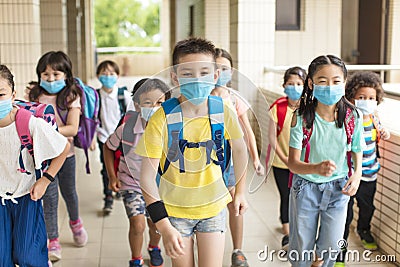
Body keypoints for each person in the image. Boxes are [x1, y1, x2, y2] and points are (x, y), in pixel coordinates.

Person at [135, 37, 249, 267]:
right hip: (175, 212)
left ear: (215, 76)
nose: (197, 80)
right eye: (187, 73)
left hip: (213, 209)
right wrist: (164, 227)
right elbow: (146, 178)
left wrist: (240, 192)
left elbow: (240, 149)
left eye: (204, 72)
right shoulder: (162, 118)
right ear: (175, 77)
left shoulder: (223, 112)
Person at [287, 55, 365, 267]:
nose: (330, 86)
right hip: (305, 188)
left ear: (344, 83)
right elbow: (292, 163)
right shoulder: (301, 118)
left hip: (339, 188)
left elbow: (358, 148)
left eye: (336, 81)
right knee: (301, 245)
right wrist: (315, 168)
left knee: (331, 245)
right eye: (322, 81)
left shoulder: (352, 116)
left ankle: (319, 262)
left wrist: (357, 174)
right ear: (311, 84)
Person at [0, 64, 69, 267]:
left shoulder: (28, 122)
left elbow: (62, 148)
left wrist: (45, 181)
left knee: (28, 256)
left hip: (26, 197)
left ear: (13, 95)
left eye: (1, 94)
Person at [103, 78, 170, 267]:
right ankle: (136, 259)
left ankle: (154, 248)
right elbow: (108, 148)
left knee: (156, 224)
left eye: (160, 103)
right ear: (138, 105)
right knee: (138, 224)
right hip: (132, 184)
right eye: (148, 103)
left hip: (158, 187)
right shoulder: (128, 129)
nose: (155, 107)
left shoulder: (170, 130)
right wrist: (112, 176)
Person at [29, 51, 89, 261]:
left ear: (66, 74)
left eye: (56, 74)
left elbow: (72, 128)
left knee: (69, 193)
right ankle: (53, 240)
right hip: (44, 157)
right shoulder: (35, 95)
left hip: (67, 156)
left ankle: (75, 223)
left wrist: (45, 130)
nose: (51, 79)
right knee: (50, 198)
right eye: (46, 75)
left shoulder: (71, 96)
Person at [211, 47, 265, 267]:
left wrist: (255, 159)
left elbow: (248, 132)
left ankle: (237, 250)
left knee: (235, 204)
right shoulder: (200, 98)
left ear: (232, 72)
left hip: (231, 162)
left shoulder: (234, 98)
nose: (220, 72)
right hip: (206, 162)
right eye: (215, 68)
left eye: (225, 68)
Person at [335, 71, 390, 266]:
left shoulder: (374, 118)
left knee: (367, 207)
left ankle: (364, 230)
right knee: (345, 214)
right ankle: (339, 252)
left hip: (370, 174)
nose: (367, 101)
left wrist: (384, 132)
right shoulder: (348, 118)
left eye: (371, 98)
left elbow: (383, 134)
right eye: (362, 97)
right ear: (351, 97)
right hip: (349, 176)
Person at [268, 66, 306, 251]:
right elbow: (271, 138)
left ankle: (301, 231)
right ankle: (287, 234)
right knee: (287, 196)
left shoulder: (310, 108)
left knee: (302, 198)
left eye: (299, 84)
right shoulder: (278, 107)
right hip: (280, 163)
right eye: (290, 83)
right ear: (284, 85)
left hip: (304, 165)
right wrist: (284, 158)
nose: (295, 87)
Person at [95, 60, 131, 215]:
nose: (107, 77)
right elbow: (92, 117)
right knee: (106, 168)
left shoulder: (124, 95)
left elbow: (131, 114)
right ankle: (108, 196)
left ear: (118, 76)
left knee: (121, 165)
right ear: (98, 76)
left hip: (122, 138)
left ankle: (118, 188)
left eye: (111, 73)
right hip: (103, 136)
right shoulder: (95, 96)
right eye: (104, 73)